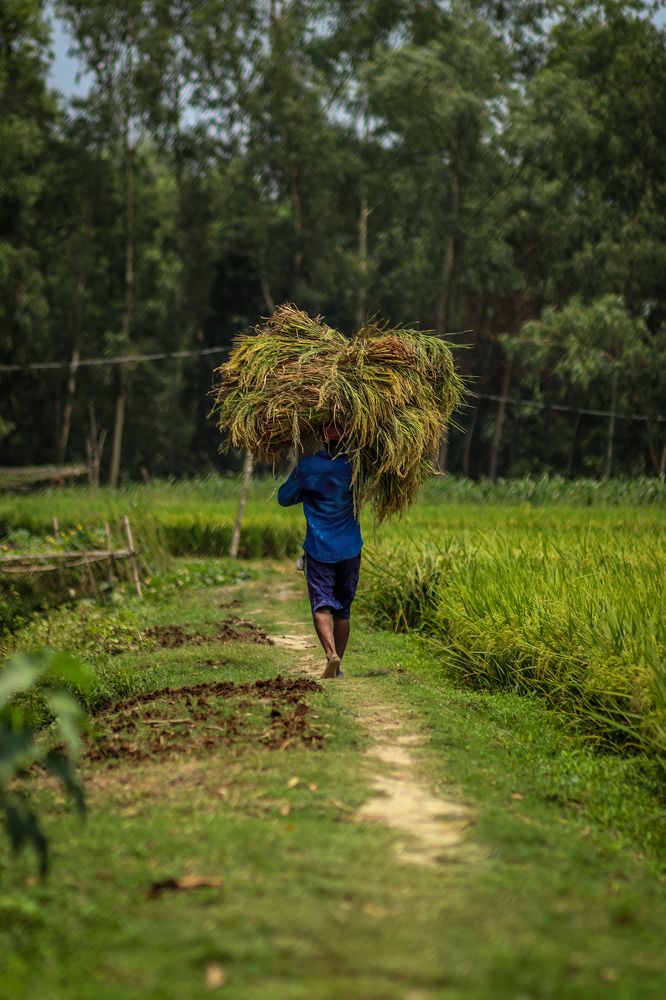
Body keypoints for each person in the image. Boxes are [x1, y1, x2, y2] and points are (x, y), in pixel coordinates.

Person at [277, 423, 362, 678]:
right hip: (350, 548)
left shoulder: (309, 467)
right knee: (343, 611)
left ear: (323, 440)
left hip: (319, 549)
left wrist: (307, 492)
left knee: (321, 605)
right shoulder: (355, 466)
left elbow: (283, 498)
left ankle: (330, 654)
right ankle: (338, 668)